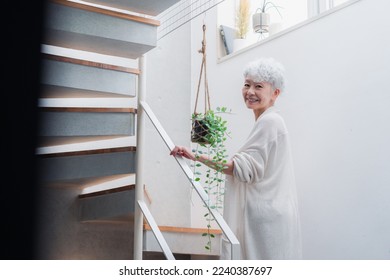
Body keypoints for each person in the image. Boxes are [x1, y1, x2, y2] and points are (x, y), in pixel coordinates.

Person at [170, 57, 302, 260]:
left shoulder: (270, 122)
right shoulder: (269, 121)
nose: (250, 91)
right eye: (247, 84)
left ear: (275, 93)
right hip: (271, 214)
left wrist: (196, 155)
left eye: (258, 86)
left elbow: (239, 168)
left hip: (266, 218)